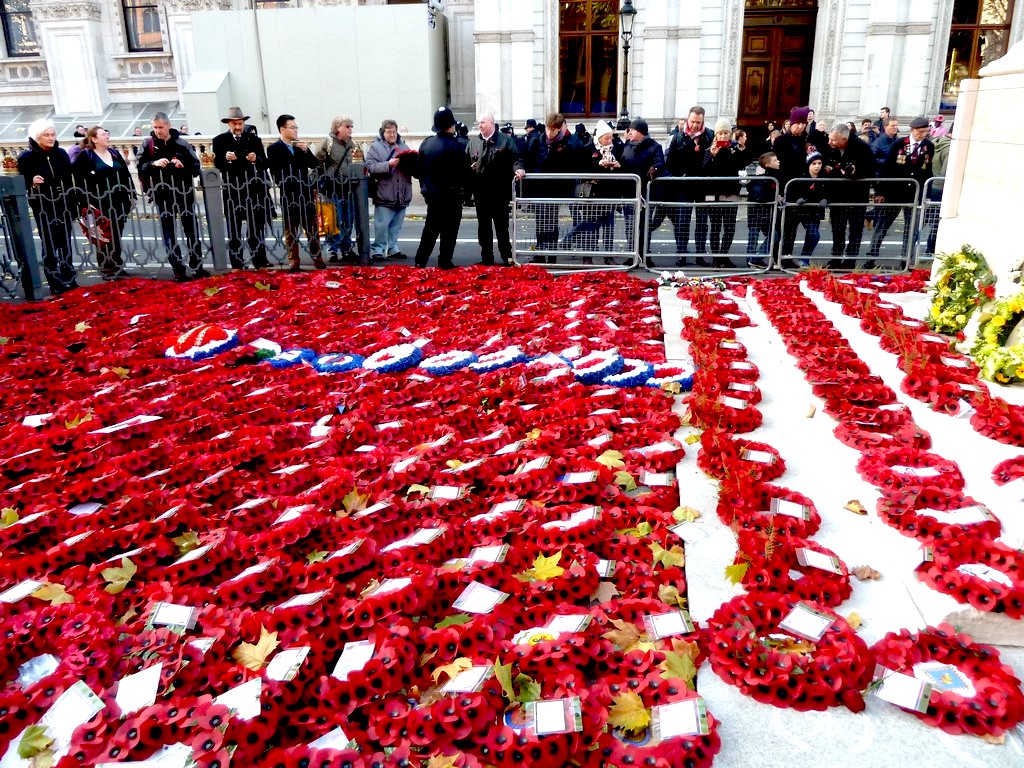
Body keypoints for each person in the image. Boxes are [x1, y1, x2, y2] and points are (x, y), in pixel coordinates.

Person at [137, 111, 206, 282]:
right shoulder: (148, 144)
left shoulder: (182, 143)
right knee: (169, 233)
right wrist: (154, 163)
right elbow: (140, 166)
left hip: (184, 193)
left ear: (168, 125)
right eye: (155, 127)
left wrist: (183, 165)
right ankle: (177, 267)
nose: (158, 131)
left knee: (191, 230)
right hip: (162, 194)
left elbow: (196, 167)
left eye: (160, 127)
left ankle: (197, 265)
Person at [17, 119, 78, 294]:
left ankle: (69, 277)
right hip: (43, 205)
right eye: (46, 135)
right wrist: (31, 181)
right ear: (37, 137)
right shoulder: (26, 158)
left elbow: (69, 180)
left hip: (63, 203)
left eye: (52, 134)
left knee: (65, 242)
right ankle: (54, 280)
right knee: (50, 244)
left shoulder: (61, 154)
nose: (51, 138)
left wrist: (73, 203)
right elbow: (20, 183)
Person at [867, 116, 934, 266]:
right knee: (882, 226)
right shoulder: (899, 144)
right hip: (894, 193)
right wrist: (880, 192)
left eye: (926, 131)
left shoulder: (928, 146)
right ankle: (871, 256)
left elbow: (928, 171)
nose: (923, 135)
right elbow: (887, 168)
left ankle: (906, 259)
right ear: (913, 130)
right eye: (921, 132)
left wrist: (927, 195)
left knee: (912, 230)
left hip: (915, 194)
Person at [72, 126, 135, 280]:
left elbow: (126, 175)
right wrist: (85, 203)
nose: (107, 136)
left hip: (120, 201)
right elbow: (79, 181)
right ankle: (106, 267)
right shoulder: (86, 156)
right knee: (104, 235)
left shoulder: (114, 153)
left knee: (117, 233)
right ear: (94, 139)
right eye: (103, 134)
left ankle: (117, 264)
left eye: (107, 133)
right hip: (99, 203)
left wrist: (132, 193)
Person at [212, 106, 270, 270]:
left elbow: (264, 163)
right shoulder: (219, 141)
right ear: (228, 124)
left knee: (255, 228)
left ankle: (259, 261)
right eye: (234, 124)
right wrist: (226, 159)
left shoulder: (254, 140)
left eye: (240, 124)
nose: (237, 127)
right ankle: (237, 263)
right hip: (232, 190)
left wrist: (255, 159)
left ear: (244, 123)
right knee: (234, 228)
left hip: (252, 189)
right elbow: (217, 165)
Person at [522, 112, 585, 262]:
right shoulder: (537, 140)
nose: (549, 133)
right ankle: (539, 254)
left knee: (551, 222)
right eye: (548, 129)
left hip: (556, 188)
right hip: (539, 187)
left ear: (559, 129)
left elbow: (574, 163)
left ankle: (551, 255)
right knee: (540, 222)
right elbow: (528, 159)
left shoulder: (568, 143)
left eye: (553, 130)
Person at [267, 114, 325, 272]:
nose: (295, 130)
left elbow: (314, 164)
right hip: (289, 193)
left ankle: (317, 256)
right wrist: (286, 182)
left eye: (296, 127)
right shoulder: (273, 149)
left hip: (304, 192)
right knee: (291, 229)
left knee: (311, 227)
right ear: (282, 129)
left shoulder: (300, 147)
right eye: (292, 127)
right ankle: (294, 260)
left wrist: (306, 151)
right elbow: (275, 171)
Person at [414, 107, 471, 269]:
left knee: (430, 229)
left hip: (432, 195)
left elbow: (419, 171)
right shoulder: (456, 146)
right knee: (450, 230)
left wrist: (425, 188)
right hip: (451, 194)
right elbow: (463, 173)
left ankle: (420, 260)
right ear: (450, 126)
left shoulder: (426, 143)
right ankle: (445, 260)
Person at [467, 112, 523, 265]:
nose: (480, 126)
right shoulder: (473, 143)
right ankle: (487, 258)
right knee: (483, 227)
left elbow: (516, 158)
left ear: (491, 124)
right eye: (479, 123)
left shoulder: (505, 141)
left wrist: (519, 169)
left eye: (483, 123)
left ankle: (507, 257)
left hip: (500, 193)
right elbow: (465, 163)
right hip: (480, 193)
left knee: (501, 227)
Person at [663, 106, 715, 265]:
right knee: (682, 221)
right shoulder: (678, 137)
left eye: (698, 122)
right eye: (692, 122)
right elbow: (670, 163)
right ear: (688, 119)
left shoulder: (710, 135)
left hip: (702, 185)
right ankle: (681, 254)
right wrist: (679, 176)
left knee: (702, 222)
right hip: (683, 186)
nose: (695, 125)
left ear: (703, 121)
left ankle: (700, 255)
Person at [566, 120, 625, 261]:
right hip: (592, 195)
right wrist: (597, 164)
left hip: (610, 195)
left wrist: (617, 166)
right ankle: (588, 257)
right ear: (599, 138)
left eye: (611, 137)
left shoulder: (616, 149)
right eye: (606, 138)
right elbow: (581, 168)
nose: (609, 140)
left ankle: (608, 257)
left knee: (609, 228)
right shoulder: (587, 149)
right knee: (591, 228)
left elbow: (624, 166)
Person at [821, 123, 875, 266]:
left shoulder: (862, 148)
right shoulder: (830, 148)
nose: (830, 142)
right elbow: (827, 168)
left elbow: (869, 170)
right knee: (837, 228)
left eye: (833, 140)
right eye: (830, 138)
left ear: (844, 139)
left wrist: (853, 174)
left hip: (856, 195)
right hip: (837, 195)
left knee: (855, 229)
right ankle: (836, 257)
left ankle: (851, 259)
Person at [365, 119, 413, 262]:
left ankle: (392, 247)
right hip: (384, 192)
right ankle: (378, 249)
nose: (392, 134)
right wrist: (388, 164)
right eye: (388, 132)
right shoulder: (375, 147)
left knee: (396, 225)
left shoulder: (404, 146)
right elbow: (370, 167)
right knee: (381, 225)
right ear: (383, 132)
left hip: (402, 191)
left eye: (394, 131)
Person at [618, 118, 664, 265]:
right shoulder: (627, 146)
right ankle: (632, 255)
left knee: (644, 225)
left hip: (645, 193)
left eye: (632, 129)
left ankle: (645, 254)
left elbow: (660, 162)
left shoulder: (654, 146)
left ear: (640, 131)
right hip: (629, 191)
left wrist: (655, 168)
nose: (629, 132)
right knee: (630, 225)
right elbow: (621, 161)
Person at [703, 119, 749, 263]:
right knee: (715, 227)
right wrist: (713, 155)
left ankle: (724, 254)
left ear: (730, 134)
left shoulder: (734, 149)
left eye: (726, 133)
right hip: (714, 194)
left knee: (730, 227)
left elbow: (743, 163)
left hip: (730, 193)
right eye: (720, 133)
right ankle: (716, 257)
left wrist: (741, 149)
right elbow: (704, 169)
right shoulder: (709, 150)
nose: (723, 136)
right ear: (716, 134)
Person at [316, 116, 357, 263]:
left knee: (348, 220)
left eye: (351, 126)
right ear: (338, 127)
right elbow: (317, 164)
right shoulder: (328, 143)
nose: (350, 129)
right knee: (333, 221)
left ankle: (346, 248)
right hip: (332, 188)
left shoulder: (352, 144)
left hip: (348, 188)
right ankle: (332, 250)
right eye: (347, 126)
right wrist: (320, 182)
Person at [781, 151, 828, 267]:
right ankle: (786, 258)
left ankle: (805, 258)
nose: (817, 166)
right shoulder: (800, 176)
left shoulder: (824, 178)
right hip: (796, 211)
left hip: (813, 212)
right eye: (814, 163)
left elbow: (828, 191)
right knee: (790, 235)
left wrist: (825, 199)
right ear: (808, 164)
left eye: (819, 163)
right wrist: (799, 198)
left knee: (814, 234)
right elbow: (792, 190)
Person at [746, 151, 781, 266]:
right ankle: (752, 260)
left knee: (773, 235)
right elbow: (759, 195)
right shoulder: (762, 177)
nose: (778, 162)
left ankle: (754, 259)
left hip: (767, 213)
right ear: (767, 165)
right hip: (757, 212)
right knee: (754, 237)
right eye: (775, 160)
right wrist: (775, 196)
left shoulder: (774, 175)